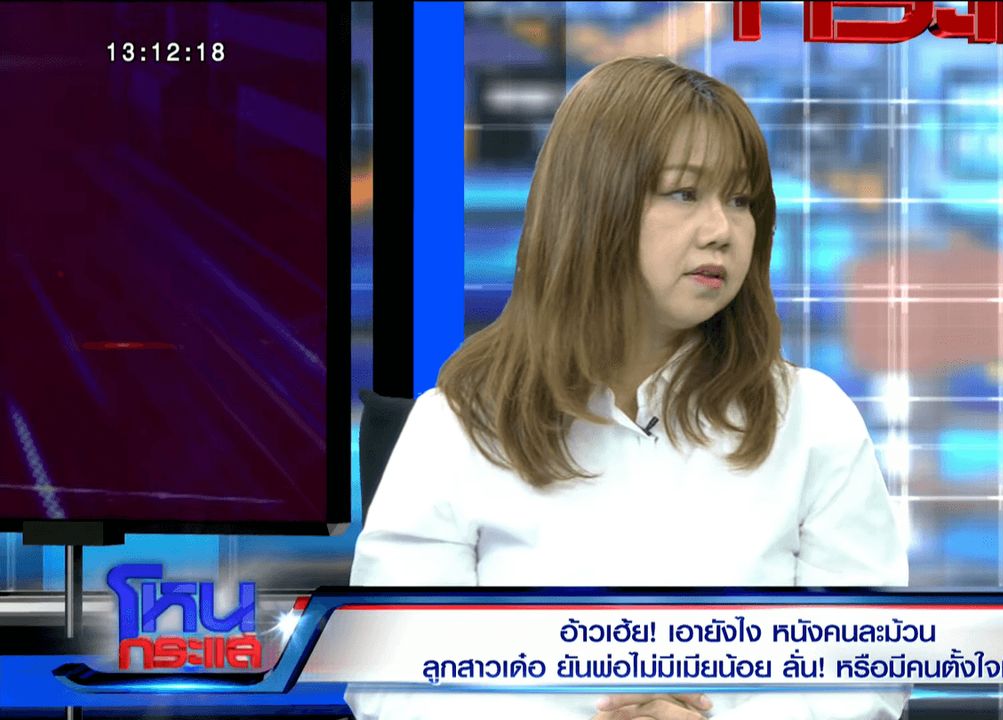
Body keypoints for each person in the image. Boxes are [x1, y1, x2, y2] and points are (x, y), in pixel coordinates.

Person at [346, 55, 908, 720]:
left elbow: (867, 673)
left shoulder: (813, 419)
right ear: (592, 204)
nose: (721, 231)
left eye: (740, 200)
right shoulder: (459, 423)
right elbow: (390, 675)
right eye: (683, 193)